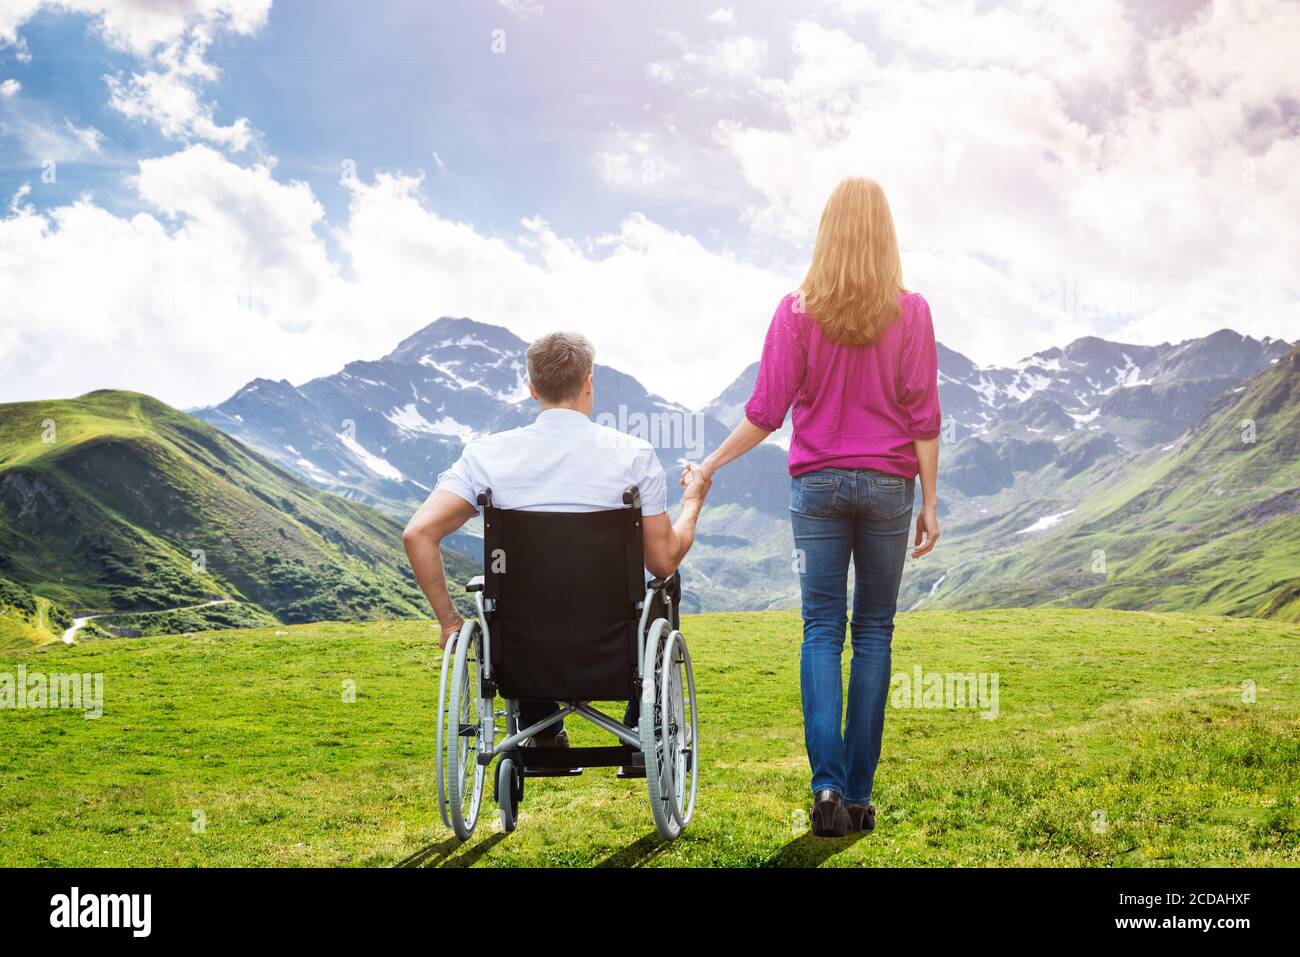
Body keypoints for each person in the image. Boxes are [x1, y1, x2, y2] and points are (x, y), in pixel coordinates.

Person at [687, 177, 942, 837]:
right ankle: (857, 797)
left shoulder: (795, 311)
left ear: (825, 233)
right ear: (885, 234)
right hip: (890, 485)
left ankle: (826, 784)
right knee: (876, 631)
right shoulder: (910, 312)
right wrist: (931, 501)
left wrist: (711, 464)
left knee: (822, 630)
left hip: (818, 486)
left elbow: (766, 412)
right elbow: (923, 414)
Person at [402, 330, 711, 753]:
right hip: (613, 645)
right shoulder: (634, 455)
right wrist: (693, 500)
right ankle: (644, 723)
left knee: (512, 594)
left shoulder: (485, 456)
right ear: (588, 381)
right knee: (665, 587)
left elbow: (418, 533)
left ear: (532, 389)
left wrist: (450, 623)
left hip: (524, 650)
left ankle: (540, 727)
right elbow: (663, 562)